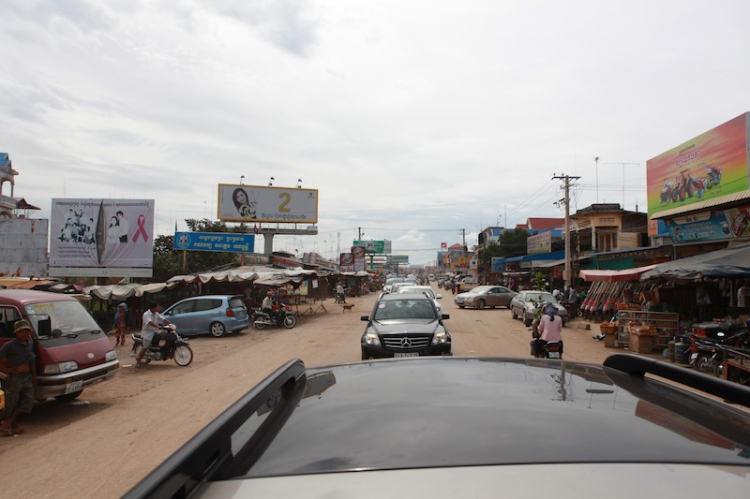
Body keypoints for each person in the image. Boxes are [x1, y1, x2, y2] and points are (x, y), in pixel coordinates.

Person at [0, 320, 37, 436]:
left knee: (28, 401)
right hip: (14, 378)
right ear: (16, 333)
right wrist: (7, 370)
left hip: (27, 377)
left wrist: (34, 375)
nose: (24, 334)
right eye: (22, 331)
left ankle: (8, 422)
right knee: (11, 403)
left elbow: (32, 361)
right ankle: (9, 425)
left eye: (26, 331)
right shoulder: (9, 345)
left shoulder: (30, 344)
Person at [135, 303, 171, 368]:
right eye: (156, 308)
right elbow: (150, 322)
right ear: (153, 308)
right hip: (147, 333)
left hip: (155, 331)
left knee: (165, 334)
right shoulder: (146, 315)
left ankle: (158, 349)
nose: (157, 309)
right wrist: (157, 326)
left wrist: (170, 324)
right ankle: (138, 362)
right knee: (145, 347)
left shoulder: (156, 314)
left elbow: (163, 319)